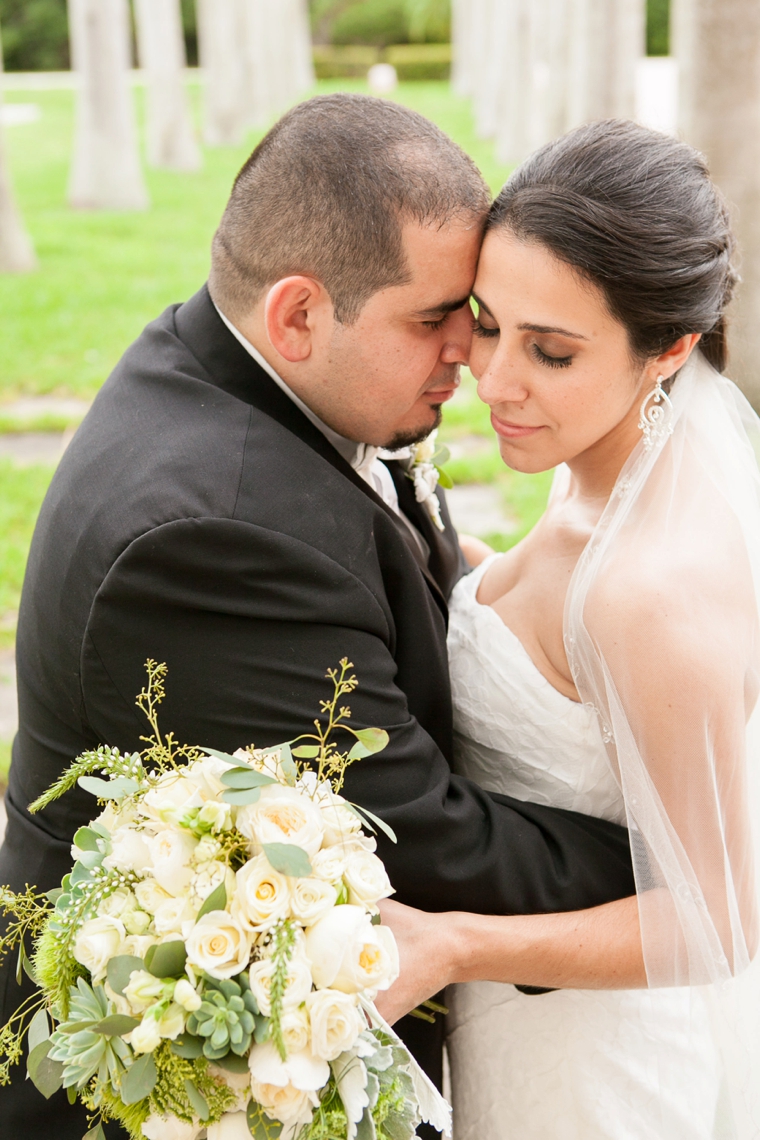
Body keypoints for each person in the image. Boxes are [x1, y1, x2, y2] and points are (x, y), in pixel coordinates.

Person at [0, 95, 636, 1139]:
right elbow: (422, 843)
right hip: (160, 1084)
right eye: (437, 319)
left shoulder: (246, 373)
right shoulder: (217, 541)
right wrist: (678, 871)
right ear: (296, 313)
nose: (470, 360)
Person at [376, 119, 760, 1138]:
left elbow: (717, 920)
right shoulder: (604, 468)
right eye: (487, 324)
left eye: (549, 351)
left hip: (595, 1069)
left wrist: (454, 945)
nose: (495, 381)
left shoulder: (649, 587)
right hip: (528, 1023)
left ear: (667, 349)